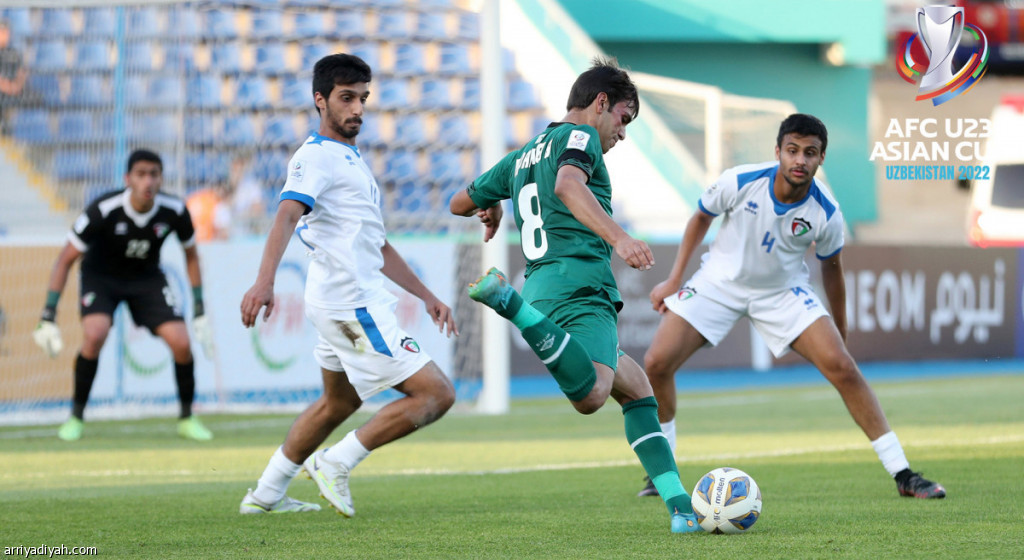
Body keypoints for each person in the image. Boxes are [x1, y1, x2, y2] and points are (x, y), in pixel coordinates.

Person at [449, 57, 701, 533]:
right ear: (600, 103)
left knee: (637, 389)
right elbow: (568, 184)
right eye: (623, 119)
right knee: (592, 395)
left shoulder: (522, 155)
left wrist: (492, 203)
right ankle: (508, 303)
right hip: (582, 286)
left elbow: (459, 202)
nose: (622, 133)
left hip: (543, 289)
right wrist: (619, 238)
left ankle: (681, 508)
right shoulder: (581, 137)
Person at [638, 113, 945, 499]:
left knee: (843, 368)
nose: (800, 160)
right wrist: (674, 279)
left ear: (821, 158)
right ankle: (663, 473)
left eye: (810, 153)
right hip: (718, 283)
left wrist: (840, 330)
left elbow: (832, 269)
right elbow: (701, 217)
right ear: (778, 152)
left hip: (781, 293)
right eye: (793, 150)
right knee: (656, 363)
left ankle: (903, 474)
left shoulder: (826, 212)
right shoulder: (740, 181)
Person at [239, 53, 458, 516]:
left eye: (362, 98)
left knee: (337, 403)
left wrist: (427, 296)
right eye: (346, 98)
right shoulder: (315, 157)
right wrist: (264, 282)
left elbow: (377, 246)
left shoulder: (349, 159)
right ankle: (335, 462)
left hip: (338, 301)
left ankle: (265, 494)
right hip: (350, 303)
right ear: (320, 100)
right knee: (437, 394)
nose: (357, 108)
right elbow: (286, 215)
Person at [32, 149, 215, 442]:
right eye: (141, 174)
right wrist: (48, 314)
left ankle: (187, 418)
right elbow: (65, 259)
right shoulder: (103, 209)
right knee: (95, 334)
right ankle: (76, 417)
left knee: (182, 342)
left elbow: (191, 256)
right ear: (127, 179)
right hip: (101, 278)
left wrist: (200, 309)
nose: (148, 181)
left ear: (161, 178)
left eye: (154, 174)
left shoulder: (175, 210)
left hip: (146, 279)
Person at [0, 18, 27, 130]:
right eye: (2, 31)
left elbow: (21, 75)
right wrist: (8, 87)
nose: (4, 35)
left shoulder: (14, 54)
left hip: (13, 95)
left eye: (6, 32)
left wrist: (14, 87)